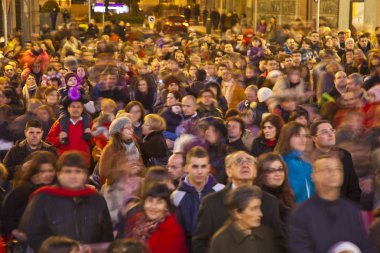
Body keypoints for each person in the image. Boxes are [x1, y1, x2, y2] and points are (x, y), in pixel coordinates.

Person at [19, 151, 113, 252]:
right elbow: (31, 235)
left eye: (78, 171)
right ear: (58, 174)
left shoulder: (97, 200)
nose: (73, 176)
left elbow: (107, 236)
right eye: (68, 171)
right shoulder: (43, 198)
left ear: (85, 174)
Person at [192, 151, 283, 253]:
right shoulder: (210, 203)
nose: (245, 164)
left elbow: (277, 242)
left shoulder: (270, 202)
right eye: (239, 161)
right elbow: (199, 245)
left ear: (255, 171)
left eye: (249, 161)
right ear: (228, 171)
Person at [287, 155, 372, 253]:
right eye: (327, 169)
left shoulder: (352, 210)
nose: (334, 173)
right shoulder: (300, 214)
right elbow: (299, 248)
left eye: (338, 169)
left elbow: (365, 245)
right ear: (313, 176)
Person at [171, 146, 224, 249]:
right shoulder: (176, 196)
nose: (200, 171)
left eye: (203, 166)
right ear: (186, 168)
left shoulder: (221, 191)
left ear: (209, 168)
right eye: (195, 166)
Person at [209, 185, 282, 253]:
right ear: (237, 213)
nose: (260, 214)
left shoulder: (267, 234)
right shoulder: (221, 241)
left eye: (259, 207)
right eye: (254, 209)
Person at [1, 151, 56, 238]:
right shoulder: (23, 189)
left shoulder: (57, 188)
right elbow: (7, 211)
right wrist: (15, 231)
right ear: (35, 172)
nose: (48, 174)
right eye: (43, 171)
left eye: (50, 170)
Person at [120, 183, 188, 253]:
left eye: (159, 202)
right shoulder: (134, 221)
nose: (153, 207)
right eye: (150, 201)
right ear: (144, 203)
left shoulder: (172, 230)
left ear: (166, 206)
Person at [309, 120, 361, 203]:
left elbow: (354, 188)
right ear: (314, 138)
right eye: (324, 132)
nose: (330, 134)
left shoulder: (344, 155)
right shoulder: (308, 160)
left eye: (332, 130)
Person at [274, 121, 315, 203]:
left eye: (304, 136)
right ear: (287, 137)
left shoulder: (306, 165)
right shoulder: (278, 162)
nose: (303, 140)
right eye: (297, 136)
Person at [46, 99, 93, 165]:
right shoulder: (60, 122)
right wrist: (59, 139)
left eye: (78, 107)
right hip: (64, 161)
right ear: (68, 109)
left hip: (82, 161)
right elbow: (49, 140)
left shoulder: (88, 123)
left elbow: (93, 143)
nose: (76, 109)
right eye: (73, 107)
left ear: (82, 109)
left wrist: (90, 136)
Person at [255, 152, 295, 223]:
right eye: (271, 170)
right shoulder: (258, 200)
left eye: (280, 169)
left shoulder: (288, 195)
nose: (278, 174)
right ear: (260, 174)